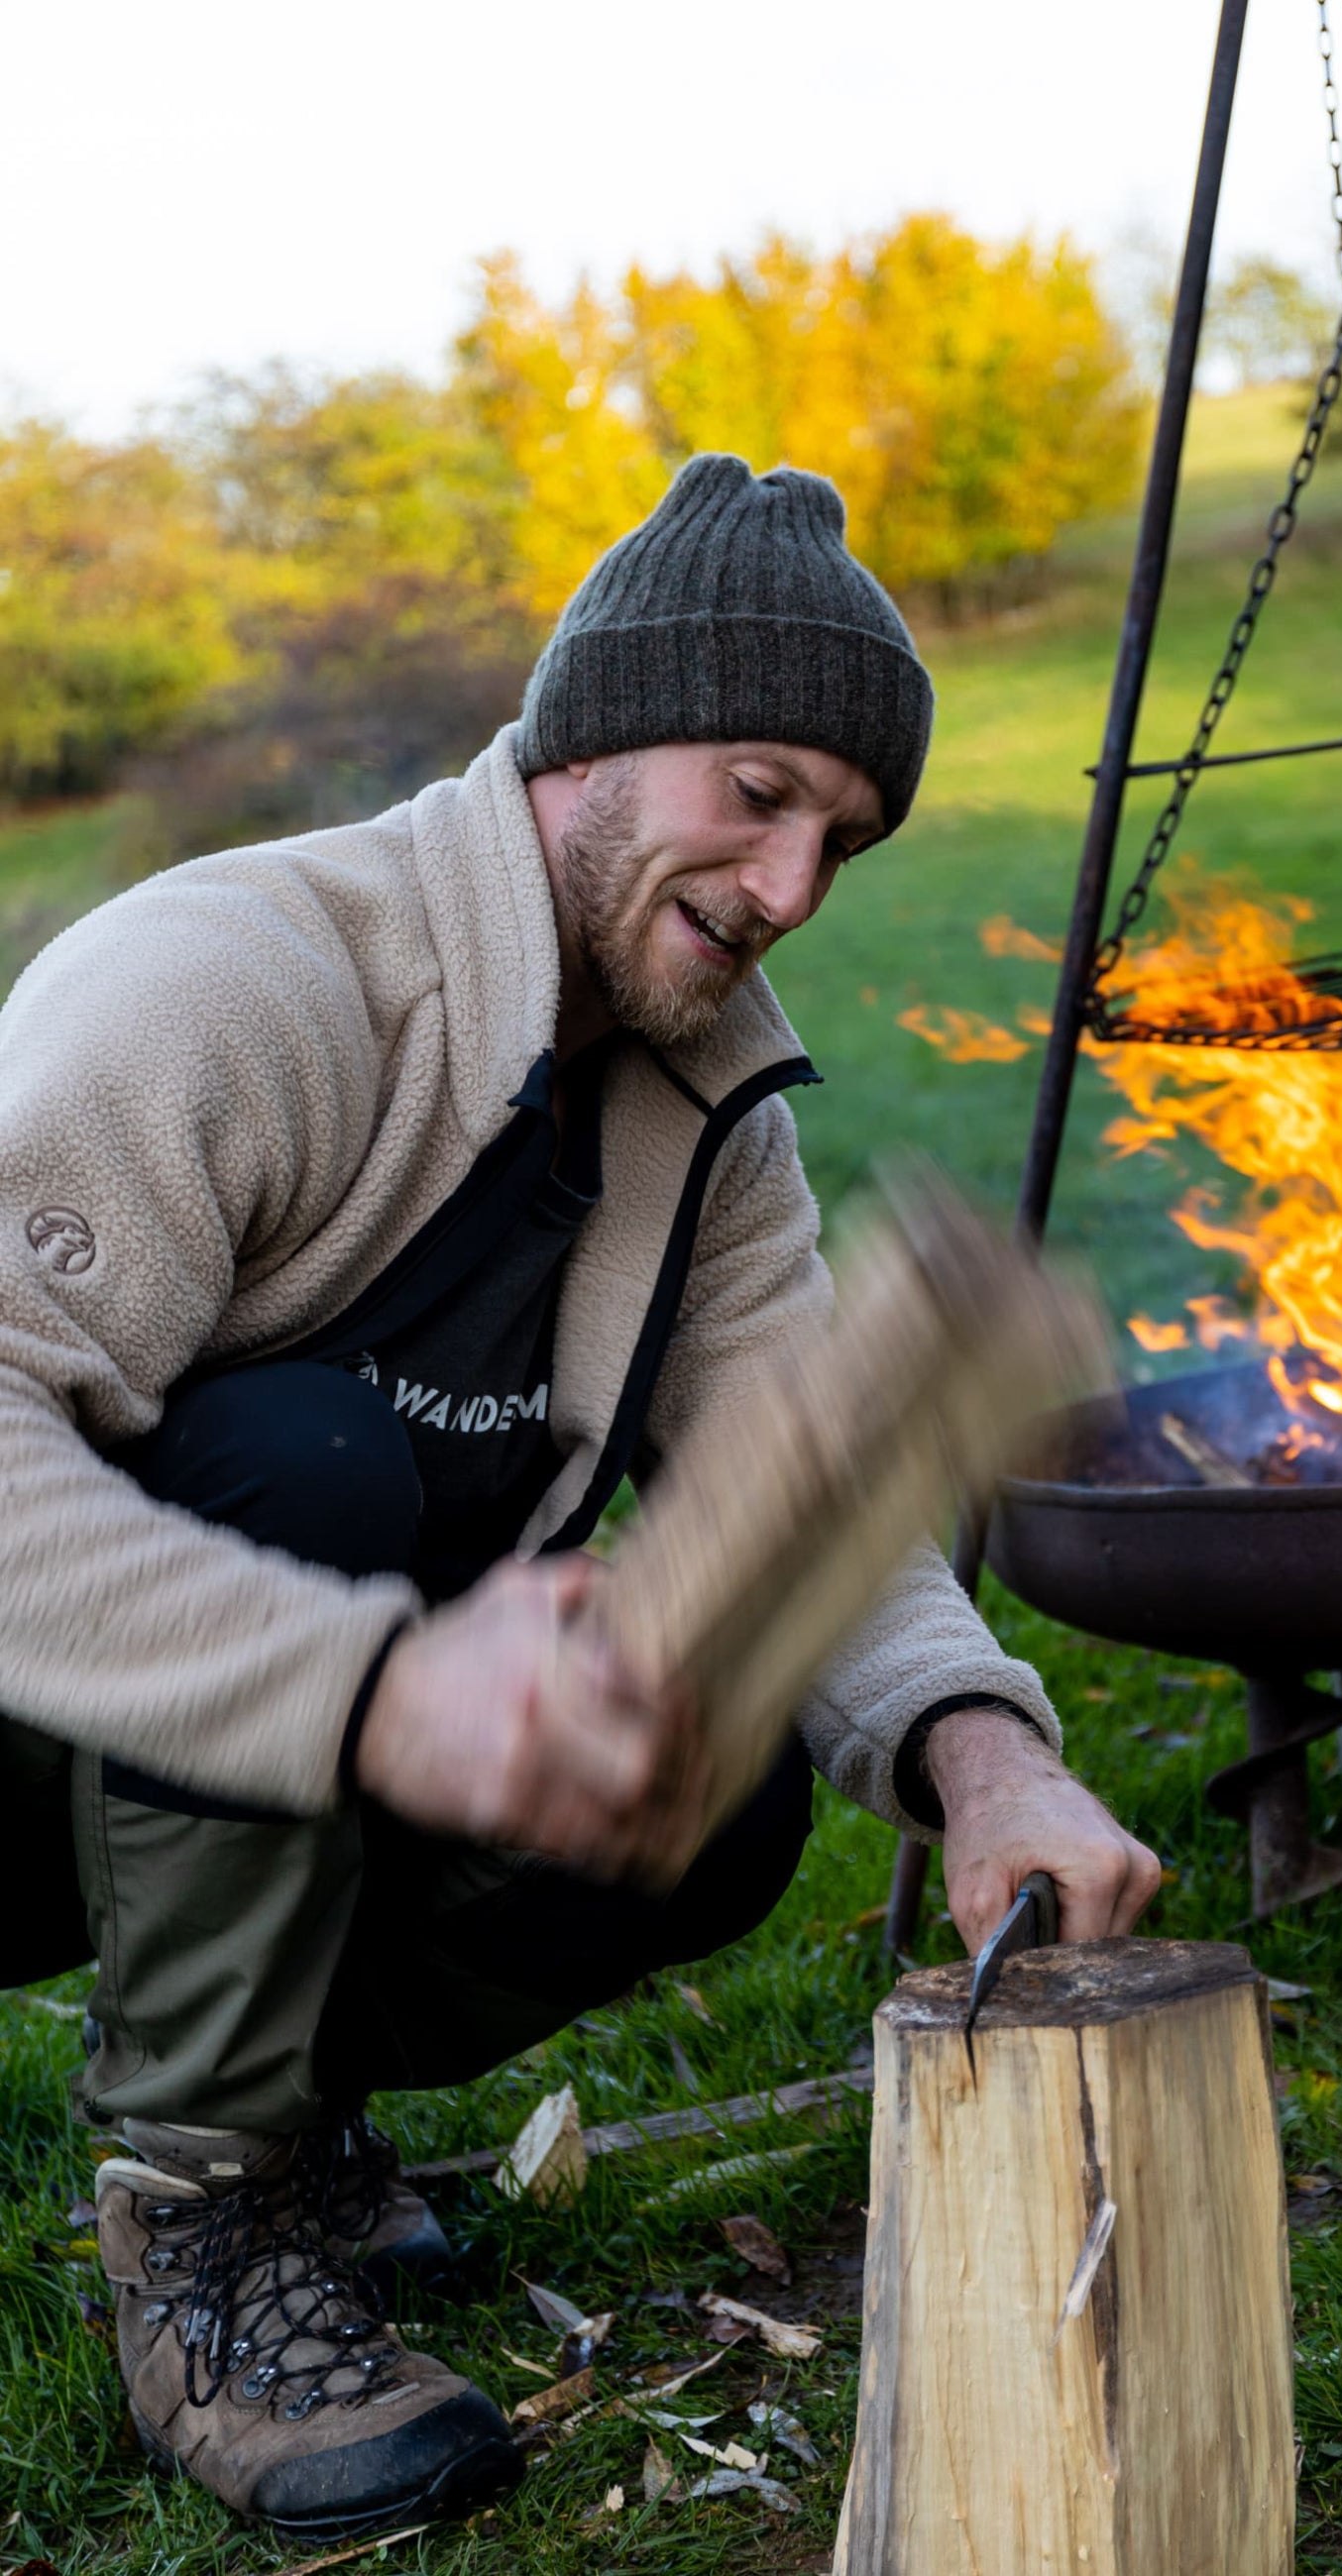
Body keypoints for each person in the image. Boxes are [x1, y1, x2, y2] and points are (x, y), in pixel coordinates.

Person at [0, 452, 1160, 2535]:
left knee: (713, 1761)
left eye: (844, 835)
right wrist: (384, 1692)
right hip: (26, 1736)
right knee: (311, 1455)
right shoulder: (241, 984)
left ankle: (299, 2100)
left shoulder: (703, 1110)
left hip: (247, 1749)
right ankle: (204, 2225)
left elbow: (802, 1474)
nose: (795, 881)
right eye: (760, 787)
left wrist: (989, 1763)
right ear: (598, 736)